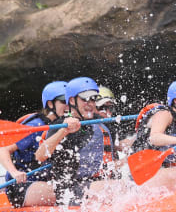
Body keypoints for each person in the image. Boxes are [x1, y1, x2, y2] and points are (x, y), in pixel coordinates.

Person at [35, 77, 117, 205]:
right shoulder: (60, 124)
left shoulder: (101, 122)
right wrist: (64, 131)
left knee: (128, 185)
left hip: (98, 183)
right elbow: (40, 156)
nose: (90, 103)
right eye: (85, 99)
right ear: (72, 100)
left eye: (93, 99)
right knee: (116, 188)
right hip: (71, 189)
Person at [0, 81, 67, 207]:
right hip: (21, 186)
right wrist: (15, 173)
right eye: (63, 102)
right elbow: (2, 150)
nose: (68, 107)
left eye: (70, 102)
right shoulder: (35, 127)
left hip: (43, 182)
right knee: (67, 192)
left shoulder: (65, 125)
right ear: (50, 104)